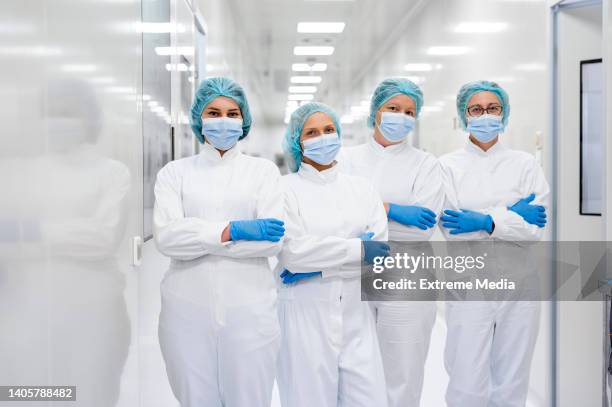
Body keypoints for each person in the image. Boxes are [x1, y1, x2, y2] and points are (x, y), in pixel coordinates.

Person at [153, 77, 285, 407]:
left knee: (251, 398)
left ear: (244, 121)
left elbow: (272, 242)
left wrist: (198, 236)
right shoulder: (175, 173)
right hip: (186, 310)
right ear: (199, 118)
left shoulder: (263, 172)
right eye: (214, 112)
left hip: (250, 309)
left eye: (232, 113)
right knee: (194, 399)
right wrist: (231, 232)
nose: (223, 120)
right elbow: (167, 238)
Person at [439, 80, 549, 407]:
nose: (485, 115)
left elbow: (535, 229)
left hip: (520, 284)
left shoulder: (526, 164)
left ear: (504, 113)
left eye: (492, 108)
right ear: (464, 116)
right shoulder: (447, 166)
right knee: (465, 377)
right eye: (476, 109)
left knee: (513, 378)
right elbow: (453, 227)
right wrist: (509, 215)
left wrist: (486, 221)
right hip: (468, 283)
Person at [276, 102, 390, 407]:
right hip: (304, 315)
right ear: (297, 142)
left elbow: (378, 253)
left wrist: (319, 267)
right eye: (312, 132)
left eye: (329, 130)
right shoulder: (283, 189)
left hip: (356, 314)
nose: (323, 138)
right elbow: (292, 253)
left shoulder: (362, 188)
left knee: (369, 399)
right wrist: (357, 249)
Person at [339, 77, 444, 407]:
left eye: (409, 111)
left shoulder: (427, 164)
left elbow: (421, 229)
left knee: (403, 372)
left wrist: (365, 214)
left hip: (407, 274)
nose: (401, 116)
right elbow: (334, 218)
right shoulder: (345, 159)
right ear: (376, 111)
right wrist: (392, 210)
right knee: (354, 370)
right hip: (351, 269)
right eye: (393, 108)